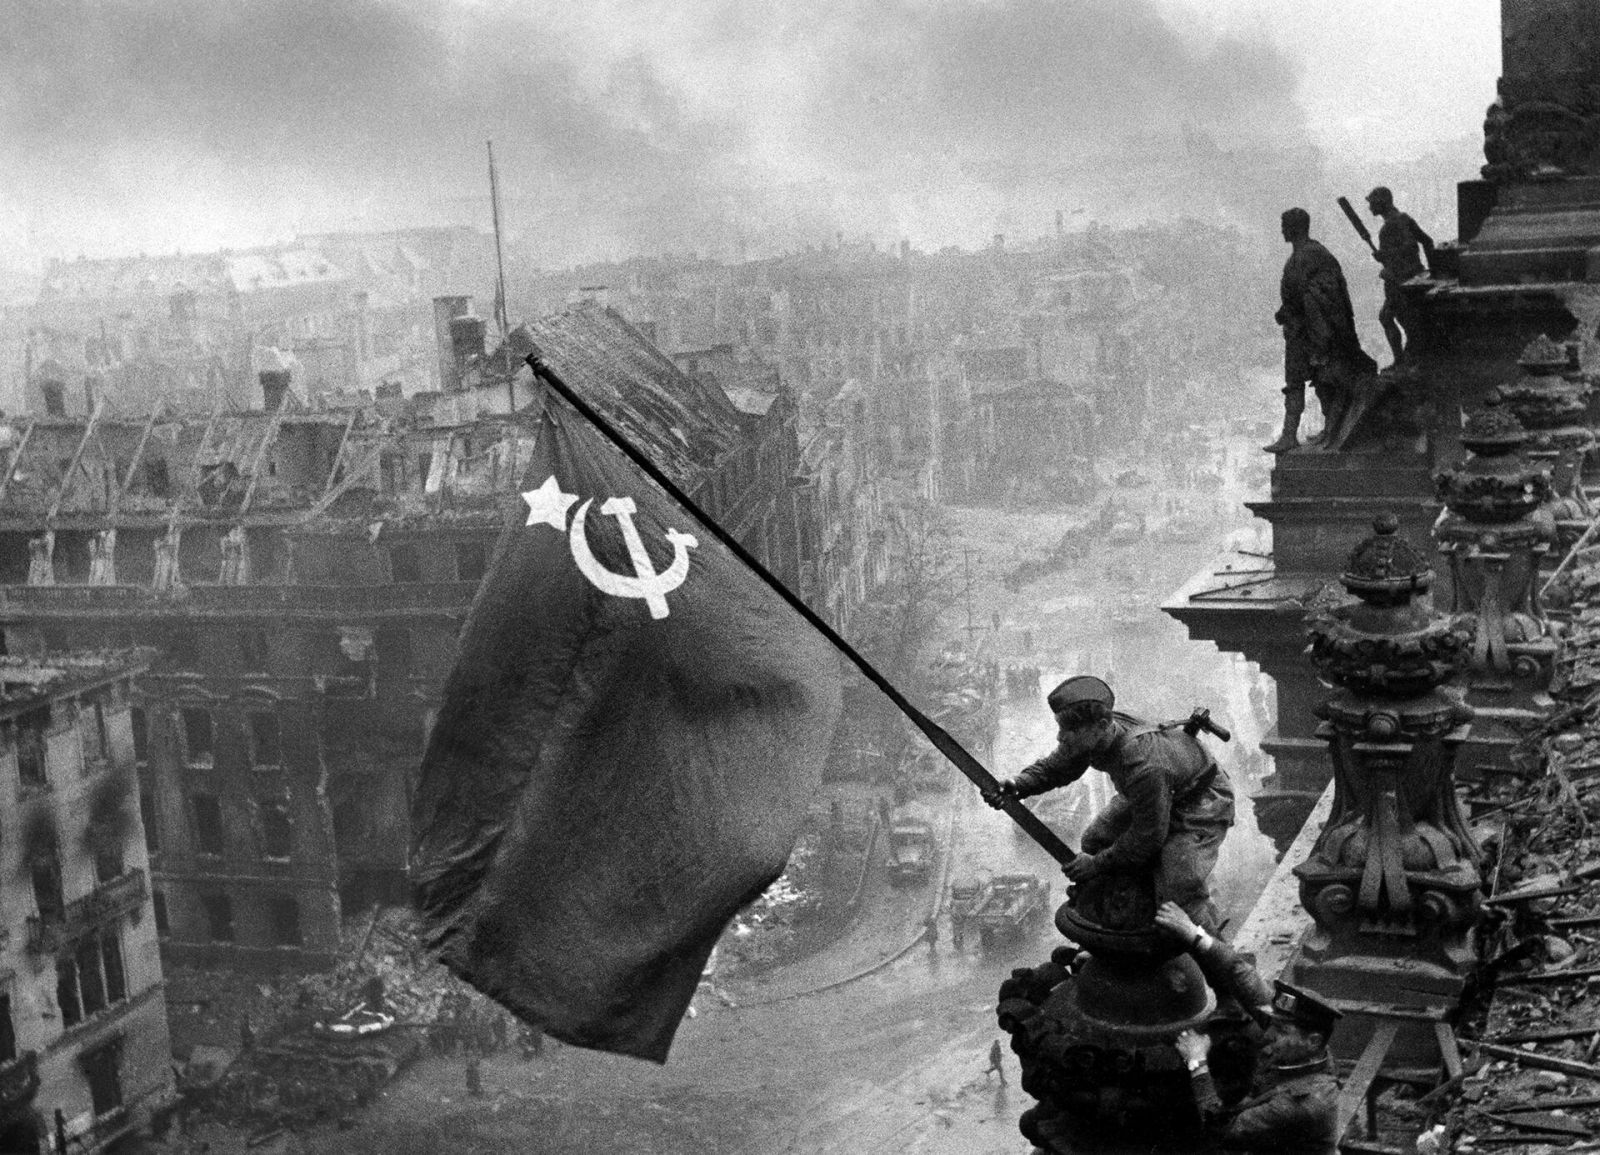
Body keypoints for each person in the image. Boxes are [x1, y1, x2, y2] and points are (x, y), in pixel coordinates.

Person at [983, 676, 1234, 932]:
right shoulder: (1098, 733)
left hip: (1201, 800)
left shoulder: (1142, 763)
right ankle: (1130, 908)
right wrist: (1018, 784)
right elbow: (1059, 766)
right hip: (1157, 790)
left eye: (1070, 731)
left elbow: (1148, 837)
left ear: (1102, 725)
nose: (1061, 737)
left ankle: (1216, 952)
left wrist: (1095, 865)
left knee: (1179, 890)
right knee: (1095, 840)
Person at [1175, 982, 1342, 1154]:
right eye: (1271, 1024)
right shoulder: (1313, 1055)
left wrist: (1197, 1062)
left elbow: (1221, 1129)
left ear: (1313, 1041)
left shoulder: (1302, 1103)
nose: (1269, 1035)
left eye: (1281, 1030)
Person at [1267, 207, 1377, 454]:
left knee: (1322, 380)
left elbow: (1327, 294)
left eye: (1285, 225)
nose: (1282, 230)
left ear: (1296, 227)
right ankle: (1289, 435)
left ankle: (1329, 430)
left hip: (1314, 332)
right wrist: (1287, 312)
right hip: (1299, 330)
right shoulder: (1300, 256)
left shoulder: (1314, 254)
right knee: (1296, 381)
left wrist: (1299, 311)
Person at [1365, 186, 1436, 370]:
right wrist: (1432, 271)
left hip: (1400, 283)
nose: (1370, 207)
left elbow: (1410, 246)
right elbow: (1427, 242)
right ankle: (1405, 358)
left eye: (1372, 202)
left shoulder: (1390, 226)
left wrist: (1386, 256)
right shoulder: (1403, 218)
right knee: (1399, 319)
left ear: (1382, 202)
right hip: (1411, 278)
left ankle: (1402, 360)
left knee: (1392, 318)